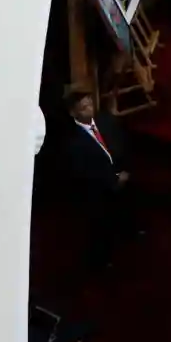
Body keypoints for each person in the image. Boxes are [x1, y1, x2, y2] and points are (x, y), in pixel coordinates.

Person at [60, 88, 134, 268]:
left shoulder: (105, 120)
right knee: (101, 231)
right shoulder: (73, 142)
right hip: (99, 194)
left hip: (120, 180)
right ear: (74, 112)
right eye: (84, 107)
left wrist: (123, 171)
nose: (90, 109)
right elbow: (83, 173)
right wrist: (113, 182)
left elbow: (120, 143)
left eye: (90, 103)